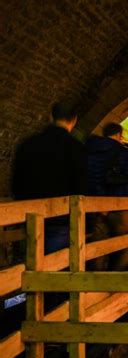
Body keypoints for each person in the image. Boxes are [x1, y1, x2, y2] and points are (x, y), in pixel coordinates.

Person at [12, 101, 87, 254]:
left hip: (28, 214)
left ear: (50, 117)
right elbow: (80, 185)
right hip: (60, 217)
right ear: (74, 120)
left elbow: (16, 181)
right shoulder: (76, 148)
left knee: (26, 266)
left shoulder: (28, 144)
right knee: (55, 269)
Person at [86, 122, 128, 270]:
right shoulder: (123, 153)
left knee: (96, 248)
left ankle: (94, 286)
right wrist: (112, 202)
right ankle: (118, 286)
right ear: (118, 135)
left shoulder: (88, 151)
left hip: (92, 206)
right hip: (117, 207)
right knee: (122, 247)